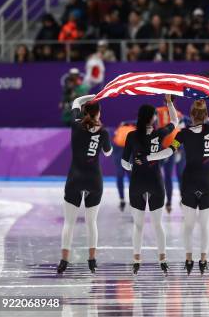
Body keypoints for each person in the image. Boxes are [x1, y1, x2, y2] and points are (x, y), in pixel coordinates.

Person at [145, 99, 209, 275]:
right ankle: (203, 260)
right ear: (205, 115)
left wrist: (151, 157)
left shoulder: (183, 134)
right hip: (208, 181)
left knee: (188, 225)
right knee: (205, 225)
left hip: (189, 182)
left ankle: (189, 259)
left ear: (190, 116)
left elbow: (169, 152)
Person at [121, 95, 179, 275]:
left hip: (137, 182)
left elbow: (124, 162)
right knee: (157, 224)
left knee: (137, 225)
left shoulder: (131, 135)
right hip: (155, 182)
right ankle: (163, 259)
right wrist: (169, 102)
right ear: (152, 118)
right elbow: (175, 121)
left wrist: (133, 167)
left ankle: (136, 259)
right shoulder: (159, 133)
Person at [58, 95, 112, 274]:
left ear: (84, 112)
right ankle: (92, 260)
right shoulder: (103, 132)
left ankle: (64, 261)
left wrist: (92, 97)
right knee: (91, 222)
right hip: (94, 180)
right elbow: (108, 153)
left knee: (69, 223)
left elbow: (75, 102)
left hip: (75, 178)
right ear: (98, 113)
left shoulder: (75, 124)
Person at [156, 98, 185, 213]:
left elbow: (154, 128)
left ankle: (165, 201)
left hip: (162, 147)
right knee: (178, 175)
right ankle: (178, 200)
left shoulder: (157, 111)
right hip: (175, 146)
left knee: (162, 175)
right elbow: (180, 131)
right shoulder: (179, 114)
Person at [112, 121, 136, 211]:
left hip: (118, 153)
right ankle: (132, 199)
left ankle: (122, 199)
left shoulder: (119, 129)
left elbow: (113, 143)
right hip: (129, 154)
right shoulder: (134, 130)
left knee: (119, 176)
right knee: (131, 177)